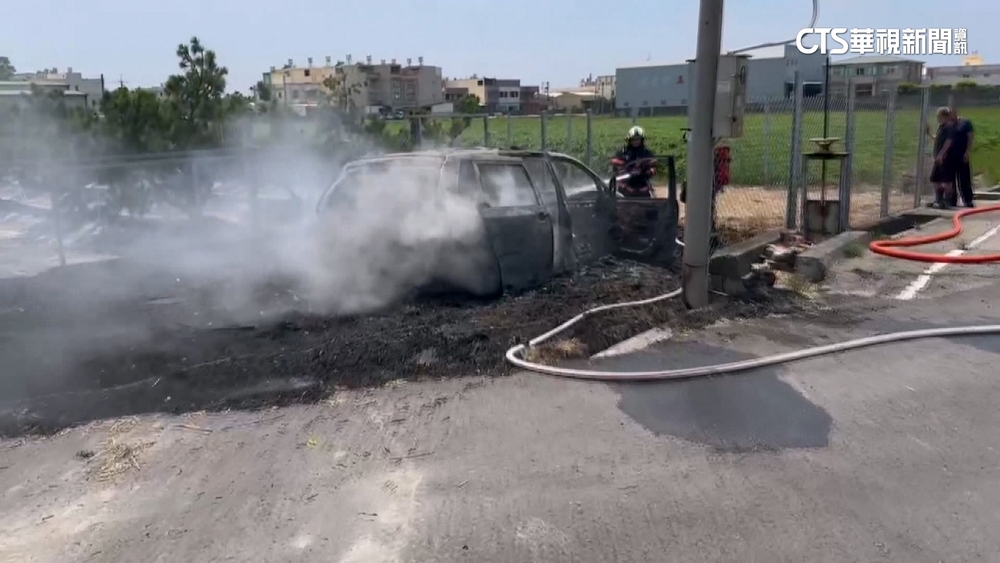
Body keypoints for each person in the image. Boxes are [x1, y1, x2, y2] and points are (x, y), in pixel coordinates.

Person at [615, 126, 655, 197]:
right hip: (625, 186)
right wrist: (625, 166)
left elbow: (653, 166)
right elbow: (614, 162)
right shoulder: (623, 152)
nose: (635, 141)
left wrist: (648, 172)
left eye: (638, 139)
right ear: (629, 140)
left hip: (642, 185)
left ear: (641, 140)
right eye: (633, 139)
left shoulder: (646, 153)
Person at [928, 107, 957, 209]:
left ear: (943, 116)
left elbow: (948, 142)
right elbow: (938, 138)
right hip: (938, 158)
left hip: (945, 158)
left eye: (938, 116)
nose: (937, 118)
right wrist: (929, 133)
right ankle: (939, 199)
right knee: (935, 179)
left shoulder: (949, 127)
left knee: (946, 181)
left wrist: (941, 154)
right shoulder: (941, 127)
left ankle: (948, 201)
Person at [947, 111, 975, 208]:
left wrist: (967, 151)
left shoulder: (965, 123)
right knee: (951, 179)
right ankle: (952, 200)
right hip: (950, 155)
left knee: (964, 178)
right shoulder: (948, 125)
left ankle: (968, 200)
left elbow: (970, 137)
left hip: (962, 154)